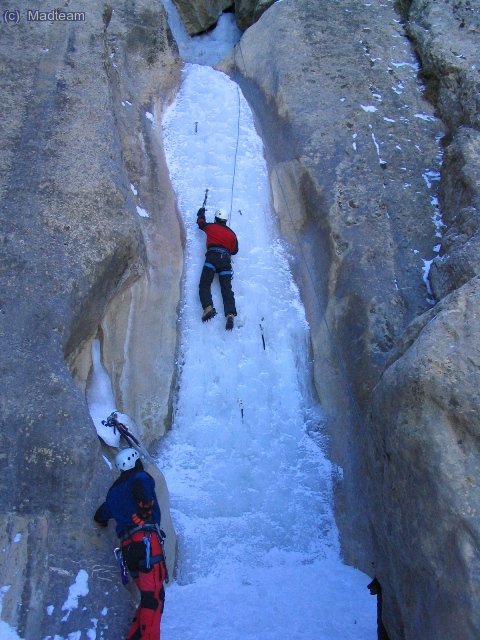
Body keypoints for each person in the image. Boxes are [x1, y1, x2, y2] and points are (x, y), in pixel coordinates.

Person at [94, 448, 168, 640]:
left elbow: (100, 517)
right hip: (146, 544)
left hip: (128, 551)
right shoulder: (139, 477)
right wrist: (143, 511)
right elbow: (143, 490)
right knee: (154, 599)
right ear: (134, 461)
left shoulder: (113, 493)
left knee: (147, 599)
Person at [196, 206, 238, 330]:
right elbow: (235, 251)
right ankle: (230, 313)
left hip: (212, 257)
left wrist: (201, 213)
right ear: (225, 220)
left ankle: (208, 307)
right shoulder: (232, 234)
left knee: (205, 283)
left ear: (215, 218)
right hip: (225, 260)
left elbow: (201, 224)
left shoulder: (211, 227)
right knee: (226, 289)